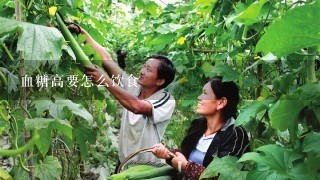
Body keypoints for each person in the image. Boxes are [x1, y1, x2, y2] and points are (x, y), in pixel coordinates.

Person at [68, 25, 176, 164]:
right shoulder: (134, 86)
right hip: (124, 163)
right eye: (143, 66)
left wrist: (105, 81)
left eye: (148, 70)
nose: (142, 71)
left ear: (160, 80)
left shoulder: (166, 100)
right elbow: (107, 60)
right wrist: (81, 31)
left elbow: (136, 106)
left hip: (145, 169)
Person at [152, 77, 249, 180]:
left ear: (221, 102)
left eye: (205, 93)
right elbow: (185, 156)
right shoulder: (198, 124)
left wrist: (185, 166)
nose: (199, 97)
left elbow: (224, 176)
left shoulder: (235, 134)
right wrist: (168, 154)